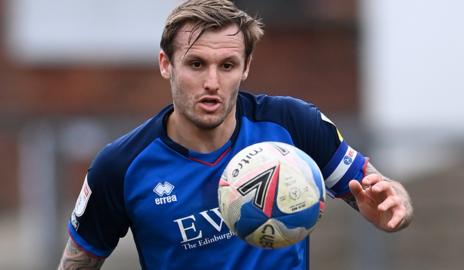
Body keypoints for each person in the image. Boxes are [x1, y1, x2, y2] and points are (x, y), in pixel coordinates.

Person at [58, 0, 413, 269]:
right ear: (166, 64)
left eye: (227, 66)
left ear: (246, 67)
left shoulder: (292, 124)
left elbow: (382, 194)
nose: (212, 82)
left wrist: (393, 207)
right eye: (196, 64)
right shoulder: (120, 166)